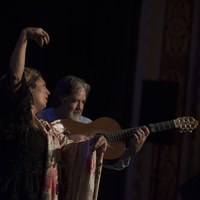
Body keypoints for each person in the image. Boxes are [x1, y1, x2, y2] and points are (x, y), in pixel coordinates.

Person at [0, 27, 108, 200]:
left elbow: (67, 149)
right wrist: (24, 36)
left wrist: (93, 143)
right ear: (28, 89)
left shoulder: (45, 129)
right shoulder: (17, 119)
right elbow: (14, 79)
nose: (48, 92)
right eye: (43, 86)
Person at [37, 75, 150, 170]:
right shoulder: (42, 119)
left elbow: (104, 161)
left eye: (83, 102)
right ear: (62, 98)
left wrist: (130, 152)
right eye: (75, 101)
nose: (80, 107)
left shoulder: (88, 124)